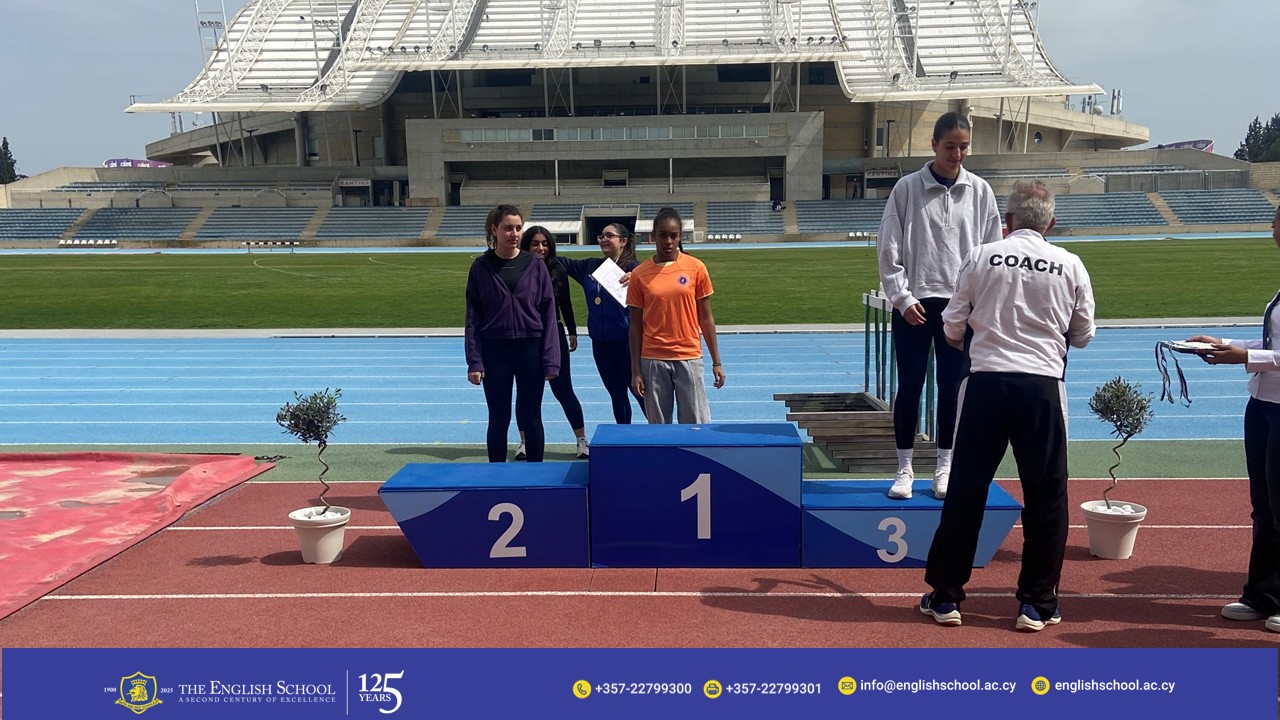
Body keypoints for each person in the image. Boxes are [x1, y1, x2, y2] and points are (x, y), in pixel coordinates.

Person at [918, 180, 1095, 632]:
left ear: (1008, 221)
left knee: (967, 489)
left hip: (986, 385)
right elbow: (1082, 335)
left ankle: (946, 595)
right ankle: (1037, 603)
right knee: (1047, 496)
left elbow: (952, 326)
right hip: (1042, 388)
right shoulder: (1071, 264)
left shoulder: (980, 256)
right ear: (1051, 223)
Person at [878, 111, 1002, 500]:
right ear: (933, 144)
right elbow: (889, 248)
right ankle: (904, 469)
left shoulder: (980, 192)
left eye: (964, 147)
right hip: (913, 307)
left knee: (951, 390)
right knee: (910, 388)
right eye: (950, 146)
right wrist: (901, 297)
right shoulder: (906, 189)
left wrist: (975, 303)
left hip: (959, 309)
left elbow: (991, 253)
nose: (957, 154)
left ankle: (944, 467)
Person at [1191, 205, 1280, 633]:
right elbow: (1272, 341)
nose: (1272, 230)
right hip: (1263, 405)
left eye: (1276, 223)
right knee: (1264, 506)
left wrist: (1246, 357)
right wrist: (1225, 343)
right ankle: (1262, 593)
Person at [464, 205, 559, 463]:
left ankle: (535, 475)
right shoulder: (481, 267)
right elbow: (473, 318)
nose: (514, 234)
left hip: (530, 349)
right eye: (507, 228)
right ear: (494, 229)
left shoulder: (535, 265)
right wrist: (475, 361)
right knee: (498, 417)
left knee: (531, 416)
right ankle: (497, 475)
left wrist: (551, 359)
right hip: (495, 350)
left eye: (518, 228)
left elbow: (549, 314)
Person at [627, 207, 725, 423]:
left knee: (695, 426)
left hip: (688, 356)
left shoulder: (696, 268)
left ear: (680, 236)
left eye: (673, 235)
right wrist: (636, 370)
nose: (668, 241)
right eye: (663, 235)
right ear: (653, 236)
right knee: (659, 429)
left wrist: (716, 362)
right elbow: (635, 326)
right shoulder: (639, 274)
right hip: (653, 359)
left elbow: (706, 318)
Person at [513, 226, 590, 459]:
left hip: (553, 333)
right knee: (525, 392)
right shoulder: (518, 269)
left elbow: (565, 302)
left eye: (545, 243)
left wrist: (572, 331)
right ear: (526, 245)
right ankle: (524, 441)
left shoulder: (557, 269)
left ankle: (581, 440)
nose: (541, 248)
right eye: (535, 243)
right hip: (526, 335)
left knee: (563, 389)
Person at [558, 222, 644, 424]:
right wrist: (534, 247)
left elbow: (656, 283)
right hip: (601, 344)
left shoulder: (635, 269)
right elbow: (560, 262)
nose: (603, 239)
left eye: (609, 236)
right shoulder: (590, 266)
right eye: (601, 236)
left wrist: (638, 278)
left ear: (623, 241)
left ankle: (660, 435)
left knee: (640, 392)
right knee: (617, 396)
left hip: (627, 343)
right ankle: (622, 435)